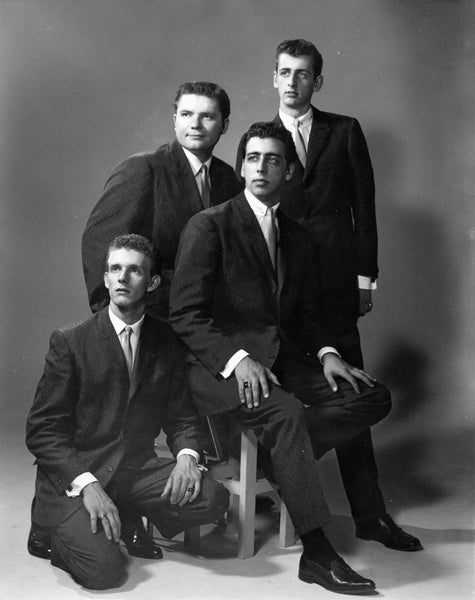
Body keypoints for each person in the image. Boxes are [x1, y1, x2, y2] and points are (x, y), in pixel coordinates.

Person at [170, 122, 394, 595]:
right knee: (290, 414)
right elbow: (186, 315)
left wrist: (329, 354)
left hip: (285, 360)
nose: (261, 167)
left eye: (273, 159)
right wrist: (237, 359)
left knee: (372, 396)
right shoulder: (209, 225)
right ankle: (317, 552)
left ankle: (280, 460)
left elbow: (307, 315)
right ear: (242, 165)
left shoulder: (297, 235)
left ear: (290, 171)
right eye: (252, 158)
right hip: (219, 369)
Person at [235, 39, 422, 553]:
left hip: (337, 286)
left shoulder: (344, 131)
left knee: (350, 390)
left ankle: (370, 515)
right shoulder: (261, 143)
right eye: (285, 73)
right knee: (291, 387)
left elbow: (365, 203)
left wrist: (366, 277)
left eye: (303, 74)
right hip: (280, 289)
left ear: (317, 82)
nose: (293, 82)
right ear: (273, 78)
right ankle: (286, 482)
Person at [26, 234, 229, 590]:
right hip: (79, 476)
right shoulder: (71, 341)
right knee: (104, 571)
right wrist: (87, 485)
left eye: (134, 270)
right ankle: (49, 531)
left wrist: (187, 456)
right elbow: (42, 430)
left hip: (132, 470)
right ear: (104, 278)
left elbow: (181, 417)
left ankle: (127, 511)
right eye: (115, 269)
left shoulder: (165, 339)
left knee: (213, 498)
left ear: (151, 282)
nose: (122, 277)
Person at [82, 81, 242, 320]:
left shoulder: (229, 179)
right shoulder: (143, 168)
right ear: (175, 119)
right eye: (186, 114)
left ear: (224, 125)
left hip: (211, 321)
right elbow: (99, 243)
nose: (195, 125)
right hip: (152, 319)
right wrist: (115, 321)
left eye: (207, 116)